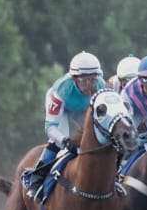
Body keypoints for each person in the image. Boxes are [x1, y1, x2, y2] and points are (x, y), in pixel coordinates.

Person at [22, 52, 105, 193]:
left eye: (92, 80)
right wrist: (65, 140)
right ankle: (37, 175)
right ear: (74, 79)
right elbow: (50, 128)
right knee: (59, 140)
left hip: (82, 109)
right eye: (83, 80)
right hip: (63, 109)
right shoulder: (62, 90)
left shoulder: (101, 85)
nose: (89, 85)